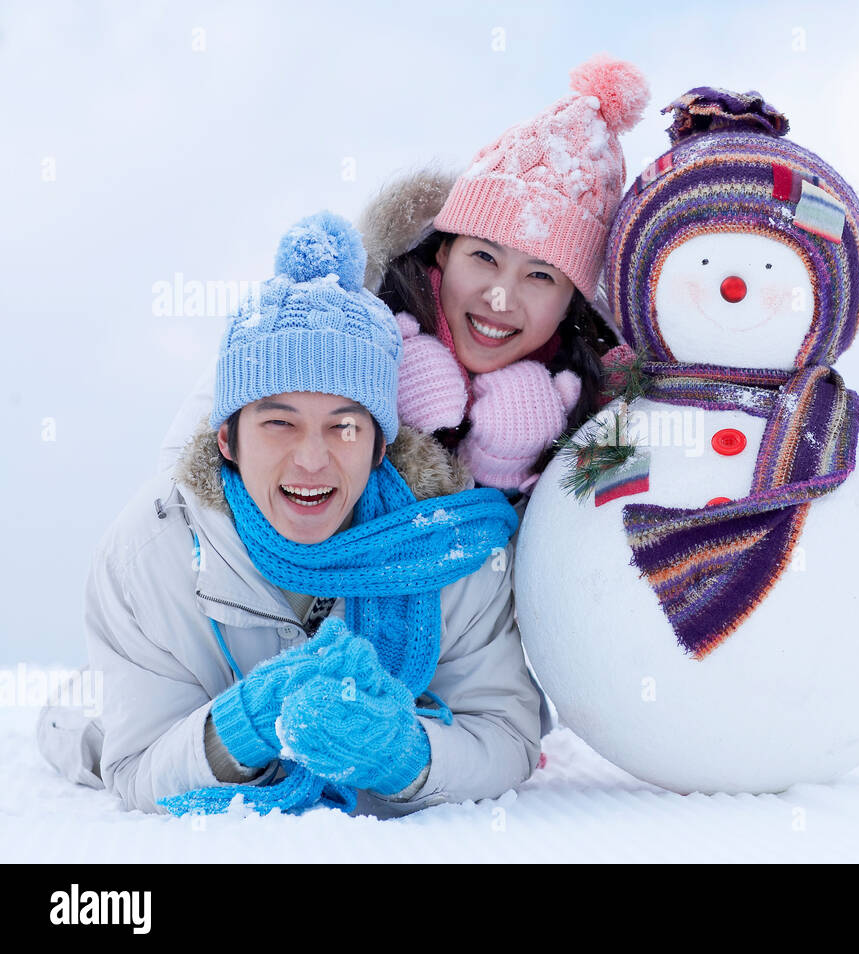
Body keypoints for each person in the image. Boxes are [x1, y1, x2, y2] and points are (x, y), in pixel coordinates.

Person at [36, 212, 541, 818]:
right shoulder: (148, 556)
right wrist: (243, 722)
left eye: (345, 426)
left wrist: (408, 755)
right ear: (228, 438)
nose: (311, 459)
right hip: (131, 699)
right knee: (81, 734)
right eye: (278, 423)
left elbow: (508, 738)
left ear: (381, 446)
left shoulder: (446, 552)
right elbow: (137, 768)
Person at [156, 53, 648, 501]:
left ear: (572, 303)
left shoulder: (605, 420)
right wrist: (387, 405)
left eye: (541, 276)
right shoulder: (325, 326)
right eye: (484, 257)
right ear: (444, 251)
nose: (500, 296)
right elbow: (187, 479)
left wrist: (511, 474)